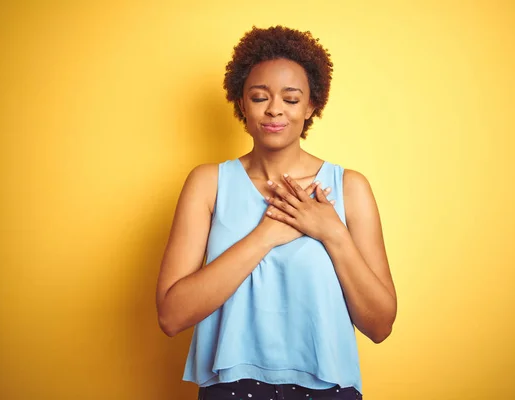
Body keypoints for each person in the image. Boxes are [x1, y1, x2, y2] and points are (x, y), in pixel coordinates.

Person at [156, 25, 397, 400]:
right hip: (230, 390)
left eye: (290, 98)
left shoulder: (349, 188)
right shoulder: (208, 183)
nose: (274, 109)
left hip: (327, 390)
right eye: (259, 97)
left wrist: (331, 231)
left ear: (311, 105)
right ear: (241, 103)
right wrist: (266, 234)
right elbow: (171, 316)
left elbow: (380, 325)